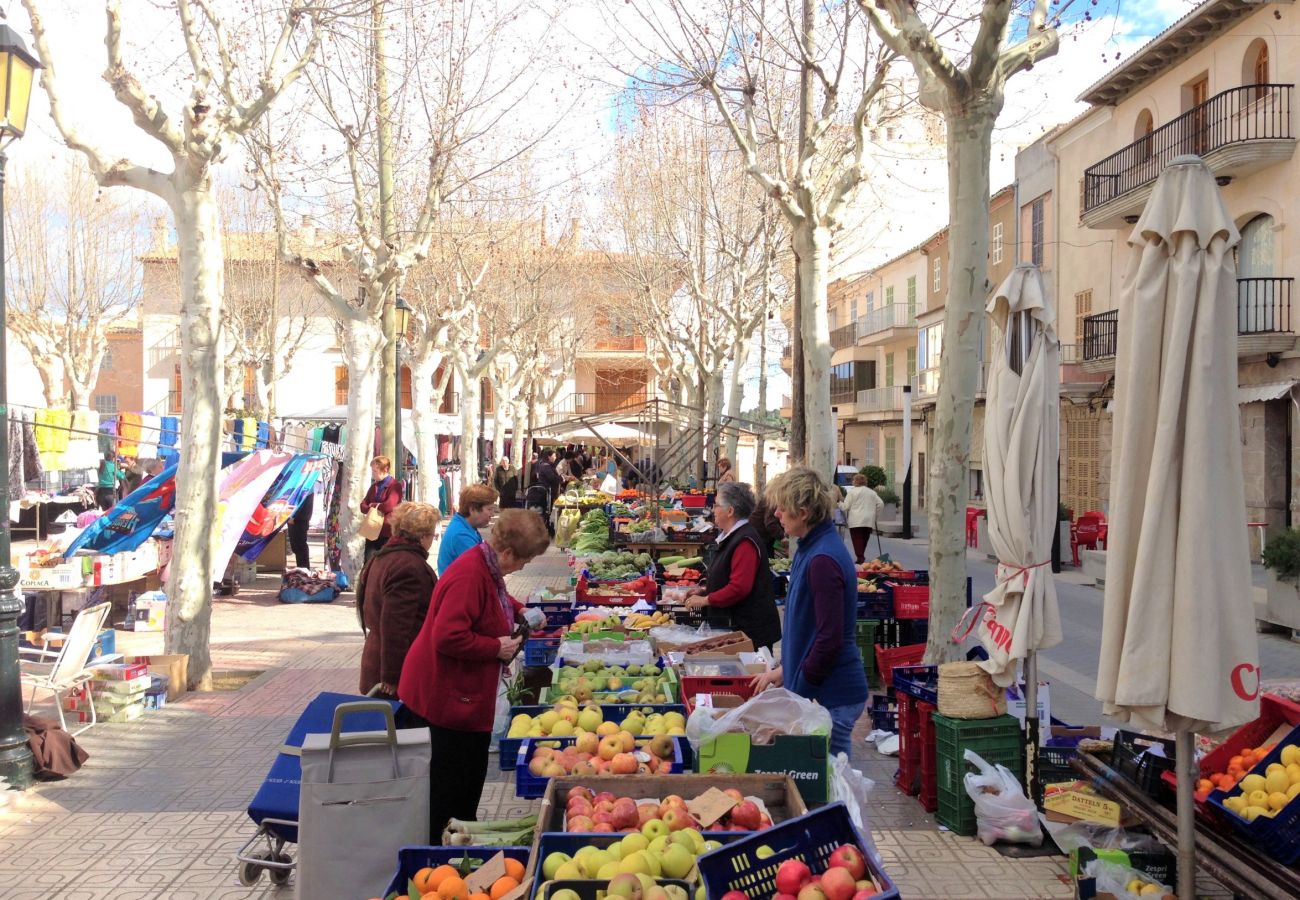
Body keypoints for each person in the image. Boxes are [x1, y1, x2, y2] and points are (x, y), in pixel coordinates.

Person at [397, 508, 552, 839]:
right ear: (507, 552)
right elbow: (447, 636)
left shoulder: (485, 564)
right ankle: (443, 860)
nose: (523, 567)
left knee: (466, 783)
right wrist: (494, 648)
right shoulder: (470, 574)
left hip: (458, 698)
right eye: (523, 561)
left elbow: (494, 595)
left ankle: (454, 848)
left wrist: (519, 608)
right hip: (443, 701)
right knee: (450, 792)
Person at [751, 466, 868, 756]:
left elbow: (829, 638)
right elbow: (809, 627)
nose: (777, 514)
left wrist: (801, 689)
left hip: (832, 694)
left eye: (782, 508)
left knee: (832, 785)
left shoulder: (823, 560)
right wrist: (785, 671)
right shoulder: (810, 548)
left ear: (802, 512)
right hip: (823, 690)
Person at [685, 481, 782, 651]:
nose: (713, 510)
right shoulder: (733, 537)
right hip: (736, 627)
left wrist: (706, 600)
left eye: (716, 505)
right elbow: (727, 576)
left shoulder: (745, 541)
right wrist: (705, 590)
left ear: (730, 511)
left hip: (749, 633)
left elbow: (739, 588)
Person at [358, 502, 441, 697]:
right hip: (395, 671)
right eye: (432, 533)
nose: (434, 538)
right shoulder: (408, 566)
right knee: (398, 726)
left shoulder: (385, 556)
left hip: (379, 660)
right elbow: (395, 627)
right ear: (421, 536)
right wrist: (392, 678)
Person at [438, 484, 499, 575]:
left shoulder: (465, 526)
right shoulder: (461, 535)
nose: (493, 514)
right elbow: (484, 570)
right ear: (473, 509)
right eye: (490, 509)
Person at [360, 456, 403, 561]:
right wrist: (377, 506)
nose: (373, 474)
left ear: (385, 469)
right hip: (372, 530)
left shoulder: (395, 485)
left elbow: (389, 506)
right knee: (368, 562)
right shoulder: (374, 486)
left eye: (375, 471)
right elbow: (362, 506)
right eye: (372, 471)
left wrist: (373, 505)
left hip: (387, 531)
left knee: (385, 563)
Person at [839, 474, 885, 565]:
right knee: (864, 538)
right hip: (869, 520)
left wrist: (839, 503)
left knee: (857, 539)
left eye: (853, 480)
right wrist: (875, 516)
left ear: (855, 481)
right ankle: (861, 556)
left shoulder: (852, 492)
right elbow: (880, 503)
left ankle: (860, 557)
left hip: (856, 520)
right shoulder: (871, 492)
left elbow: (845, 507)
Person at [288, 491, 314, 569]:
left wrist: (293, 516)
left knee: (299, 545)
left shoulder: (305, 487)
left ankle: (304, 569)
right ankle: (302, 568)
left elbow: (300, 501)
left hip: (299, 519)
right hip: (297, 518)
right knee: (297, 546)